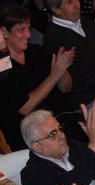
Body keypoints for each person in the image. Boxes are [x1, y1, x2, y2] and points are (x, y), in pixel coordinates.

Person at [0, 5, 73, 152]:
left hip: (60, 120)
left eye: (29, 28)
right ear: (4, 32)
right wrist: (54, 75)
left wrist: (62, 68)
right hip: (31, 134)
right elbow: (25, 108)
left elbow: (66, 88)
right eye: (21, 30)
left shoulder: (37, 52)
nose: (28, 34)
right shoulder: (3, 67)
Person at [42, 0, 95, 109]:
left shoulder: (84, 22)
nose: (76, 4)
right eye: (69, 2)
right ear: (56, 10)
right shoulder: (53, 37)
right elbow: (79, 70)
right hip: (90, 99)